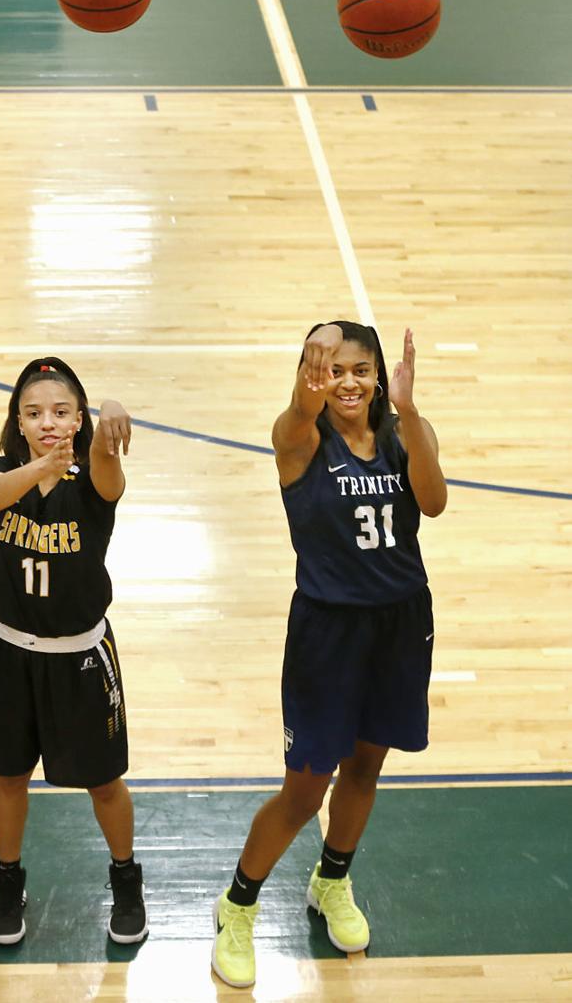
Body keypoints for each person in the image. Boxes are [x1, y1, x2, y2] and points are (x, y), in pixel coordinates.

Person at [211, 324, 447, 989]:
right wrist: (303, 395)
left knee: (367, 767)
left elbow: (434, 501)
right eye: (333, 368)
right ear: (313, 374)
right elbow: (292, 422)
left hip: (400, 625)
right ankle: (236, 905)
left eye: (360, 369)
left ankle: (332, 880)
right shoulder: (301, 440)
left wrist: (410, 410)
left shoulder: (403, 434)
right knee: (304, 788)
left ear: (377, 375)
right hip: (327, 634)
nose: (348, 381)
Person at [0, 357, 147, 947]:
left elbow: (105, 463)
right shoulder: (3, 471)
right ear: (18, 421)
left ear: (79, 416)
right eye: (34, 412)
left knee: (105, 783)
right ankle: (7, 880)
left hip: (79, 655)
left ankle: (126, 878)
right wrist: (40, 466)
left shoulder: (95, 478)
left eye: (61, 411)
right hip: (10, 653)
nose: (48, 422)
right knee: (9, 776)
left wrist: (108, 422)